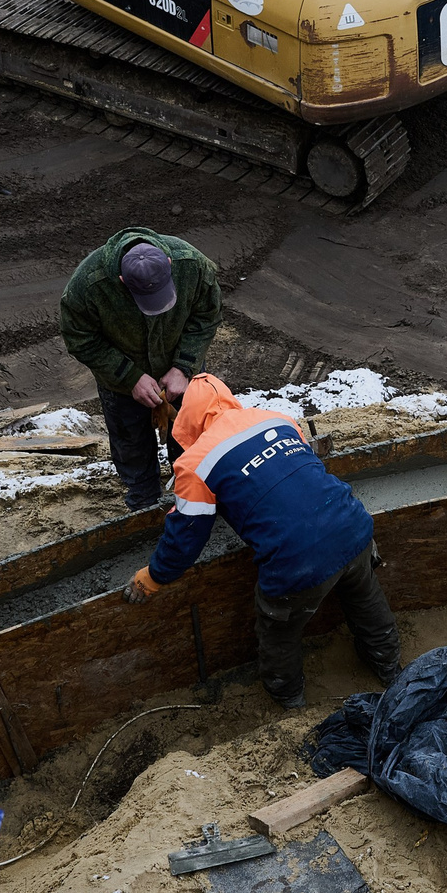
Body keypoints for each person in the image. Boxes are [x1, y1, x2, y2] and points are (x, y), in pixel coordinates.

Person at [123, 374, 400, 708]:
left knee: (279, 631)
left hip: (297, 560)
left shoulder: (195, 463)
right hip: (352, 524)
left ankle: (290, 702)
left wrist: (154, 577)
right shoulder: (277, 419)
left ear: (187, 421)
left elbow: (185, 538)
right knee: (365, 597)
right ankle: (391, 669)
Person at [60, 228, 221, 510]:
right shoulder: (87, 286)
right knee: (131, 444)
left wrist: (183, 367)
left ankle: (191, 491)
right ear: (123, 282)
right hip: (121, 382)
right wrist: (129, 376)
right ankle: (143, 502)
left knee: (190, 437)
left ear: (169, 266)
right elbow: (80, 340)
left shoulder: (192, 265)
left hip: (182, 372)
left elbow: (206, 315)